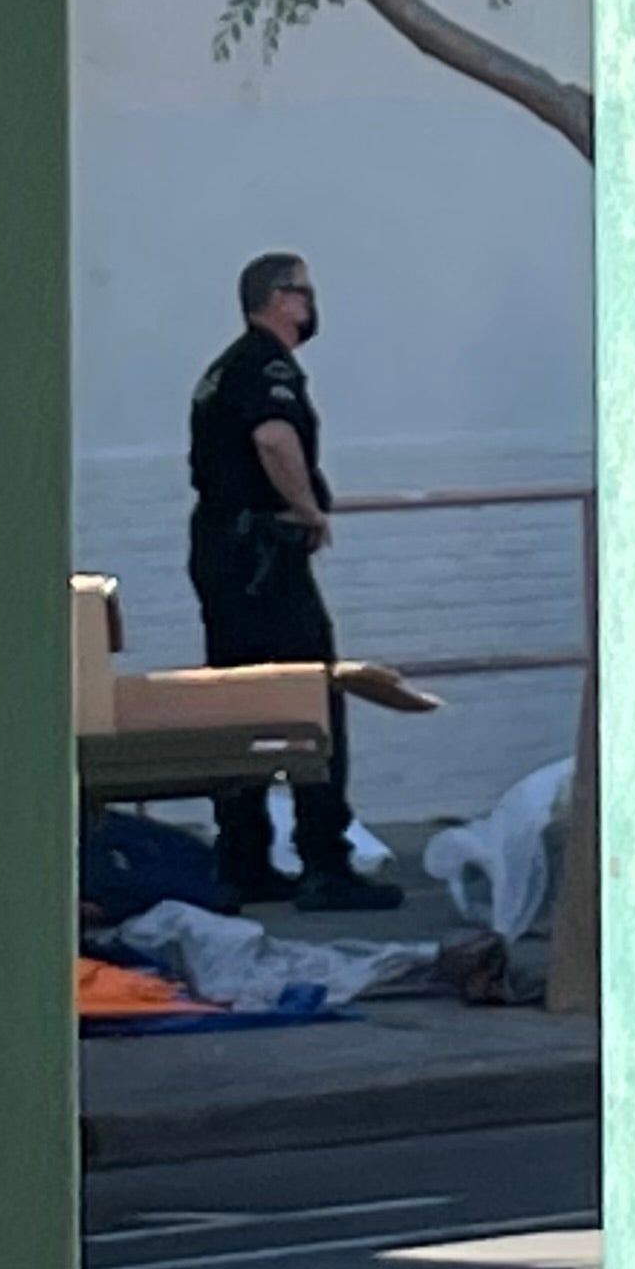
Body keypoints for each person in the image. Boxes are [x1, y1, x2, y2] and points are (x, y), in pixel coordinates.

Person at [185, 251, 396, 912]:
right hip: (263, 559)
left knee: (239, 704)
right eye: (304, 293)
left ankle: (243, 857)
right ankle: (325, 862)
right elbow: (274, 440)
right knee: (312, 698)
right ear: (278, 299)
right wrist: (307, 509)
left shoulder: (222, 369)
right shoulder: (265, 366)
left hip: (224, 555)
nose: (311, 305)